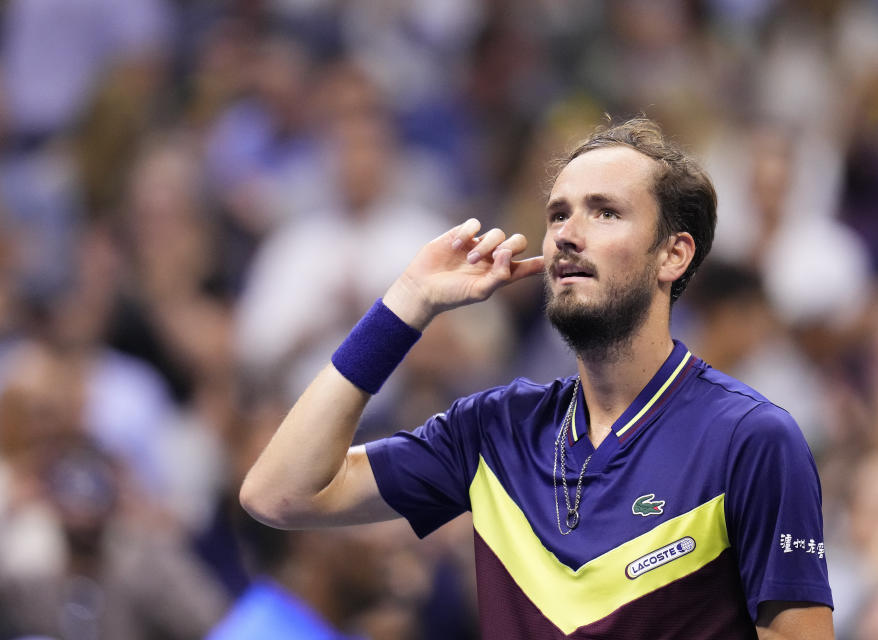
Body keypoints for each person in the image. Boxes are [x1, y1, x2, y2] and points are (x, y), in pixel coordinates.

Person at [240, 117, 834, 639]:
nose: (568, 234)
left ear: (673, 255)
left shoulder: (752, 439)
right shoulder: (491, 430)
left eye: (605, 212)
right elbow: (278, 492)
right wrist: (407, 303)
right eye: (558, 215)